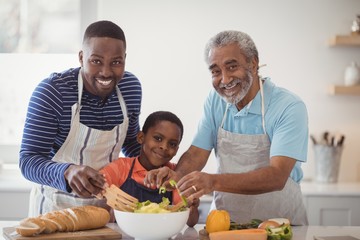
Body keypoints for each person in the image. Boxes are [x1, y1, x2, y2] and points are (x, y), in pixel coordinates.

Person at [145, 30, 309, 225]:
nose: (224, 79)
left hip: (281, 224)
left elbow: (277, 176)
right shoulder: (215, 100)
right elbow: (197, 152)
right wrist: (177, 176)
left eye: (232, 66)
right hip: (225, 223)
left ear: (253, 63)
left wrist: (213, 181)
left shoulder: (288, 106)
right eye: (215, 71)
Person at [19, 20, 142, 216]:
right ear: (81, 57)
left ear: (125, 59)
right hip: (55, 209)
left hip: (106, 211)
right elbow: (28, 161)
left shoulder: (130, 89)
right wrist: (67, 172)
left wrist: (158, 172)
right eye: (96, 61)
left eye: (116, 62)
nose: (106, 72)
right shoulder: (53, 92)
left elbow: (131, 146)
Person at [99, 111, 199, 227]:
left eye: (172, 144)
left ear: (177, 149)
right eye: (158, 138)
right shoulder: (121, 167)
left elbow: (191, 222)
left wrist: (192, 207)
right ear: (141, 137)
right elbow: (97, 184)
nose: (164, 147)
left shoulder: (174, 174)